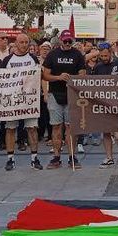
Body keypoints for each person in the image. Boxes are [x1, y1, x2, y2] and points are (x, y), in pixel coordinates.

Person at [42, 32, 86, 169]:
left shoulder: (77, 55)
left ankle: (72, 156)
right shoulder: (52, 54)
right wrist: (59, 77)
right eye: (65, 41)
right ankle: (56, 157)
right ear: (60, 40)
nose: (67, 44)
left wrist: (71, 79)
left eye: (69, 41)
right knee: (56, 126)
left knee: (70, 127)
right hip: (55, 94)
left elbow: (82, 75)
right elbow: (45, 75)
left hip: (71, 94)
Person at [1, 34, 42, 171]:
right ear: (16, 43)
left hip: (29, 100)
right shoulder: (7, 60)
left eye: (26, 42)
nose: (24, 45)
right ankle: (10, 159)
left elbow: (39, 76)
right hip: (12, 101)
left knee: (32, 128)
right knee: (10, 129)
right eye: (21, 42)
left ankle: (34, 158)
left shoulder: (33, 59)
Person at [91, 44, 118, 169]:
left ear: (111, 53)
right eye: (101, 56)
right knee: (106, 130)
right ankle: (109, 157)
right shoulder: (97, 67)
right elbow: (93, 84)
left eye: (106, 56)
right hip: (104, 103)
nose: (104, 58)